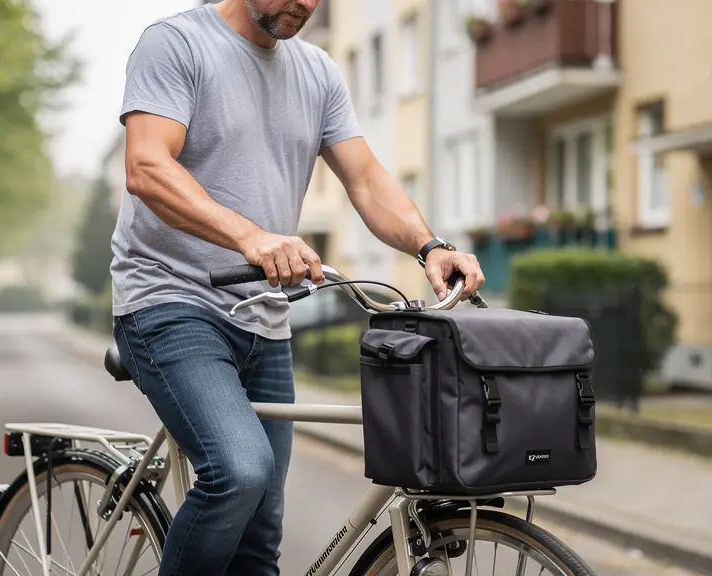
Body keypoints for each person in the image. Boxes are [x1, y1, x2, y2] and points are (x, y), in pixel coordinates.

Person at [110, 1, 485, 574]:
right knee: (239, 472)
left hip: (265, 316)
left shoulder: (317, 72)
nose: (306, 3)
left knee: (259, 539)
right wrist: (250, 237)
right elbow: (146, 167)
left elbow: (364, 179)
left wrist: (431, 248)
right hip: (171, 300)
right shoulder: (177, 44)